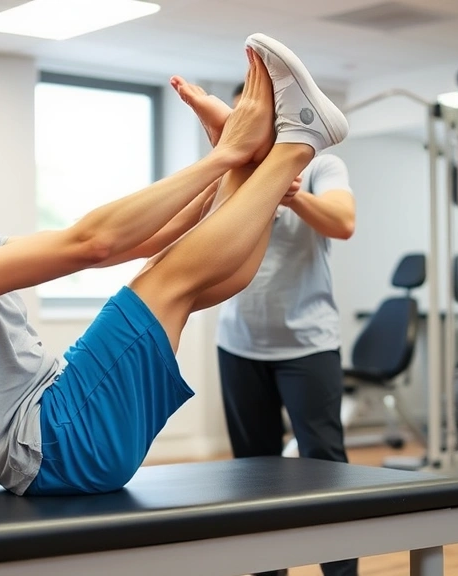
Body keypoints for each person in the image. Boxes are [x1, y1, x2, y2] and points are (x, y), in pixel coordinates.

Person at [0, 33, 349, 502]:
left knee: (186, 285)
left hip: (56, 433)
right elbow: (92, 243)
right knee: (165, 285)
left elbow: (131, 243)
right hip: (58, 442)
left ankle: (271, 154)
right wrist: (225, 156)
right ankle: (299, 141)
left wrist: (233, 170)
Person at [171, 77, 358, 576]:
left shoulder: (319, 165)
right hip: (240, 343)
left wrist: (292, 196)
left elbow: (343, 222)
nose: (245, 124)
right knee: (254, 474)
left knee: (325, 469)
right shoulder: (233, 170)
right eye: (238, 117)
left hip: (308, 343)